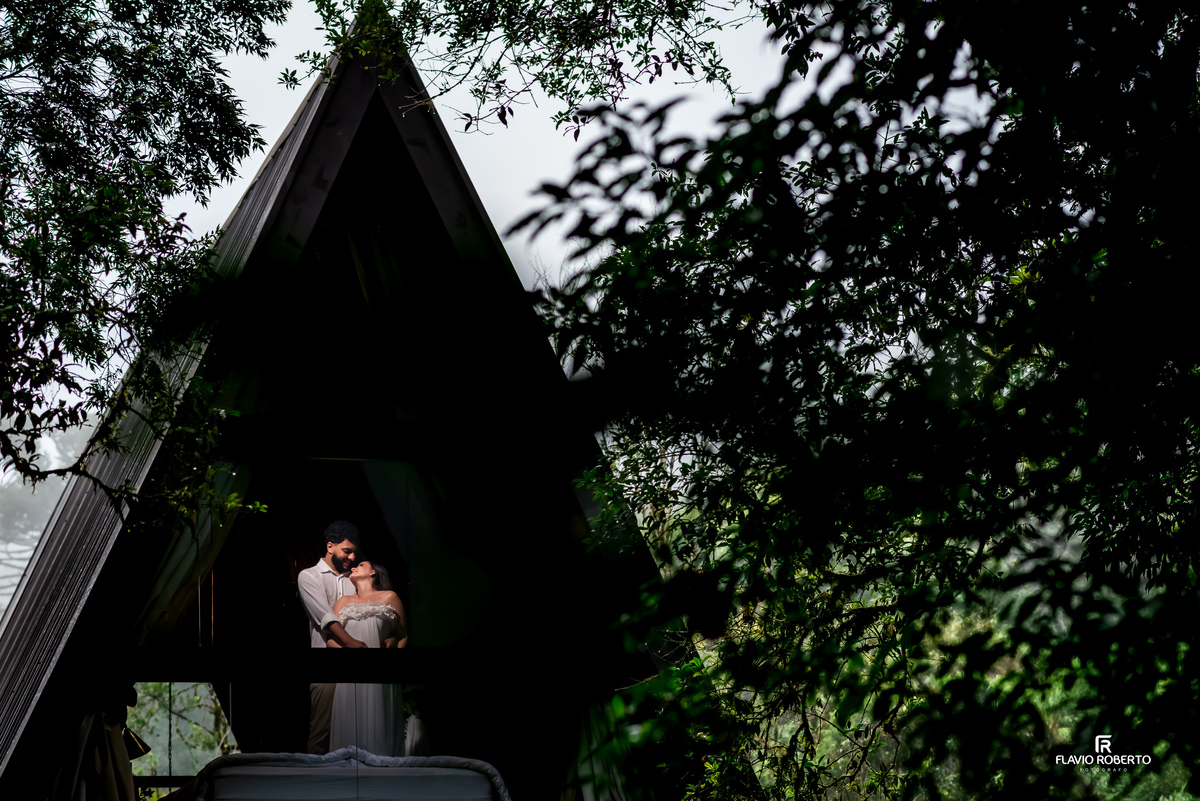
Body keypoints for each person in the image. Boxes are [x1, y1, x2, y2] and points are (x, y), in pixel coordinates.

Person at [297, 520, 367, 754]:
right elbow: (325, 617)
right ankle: (313, 785)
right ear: (330, 546)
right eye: (347, 551)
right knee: (321, 730)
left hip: (358, 663)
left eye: (355, 552)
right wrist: (350, 642)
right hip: (324, 663)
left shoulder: (354, 579)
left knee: (355, 727)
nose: (352, 557)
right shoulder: (309, 576)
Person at [327, 561, 408, 756]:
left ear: (372, 572)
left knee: (380, 720)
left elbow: (404, 635)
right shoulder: (343, 602)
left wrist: (395, 642)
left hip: (382, 675)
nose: (354, 566)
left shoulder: (390, 597)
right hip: (350, 674)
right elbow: (330, 640)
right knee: (351, 720)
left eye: (361, 564)